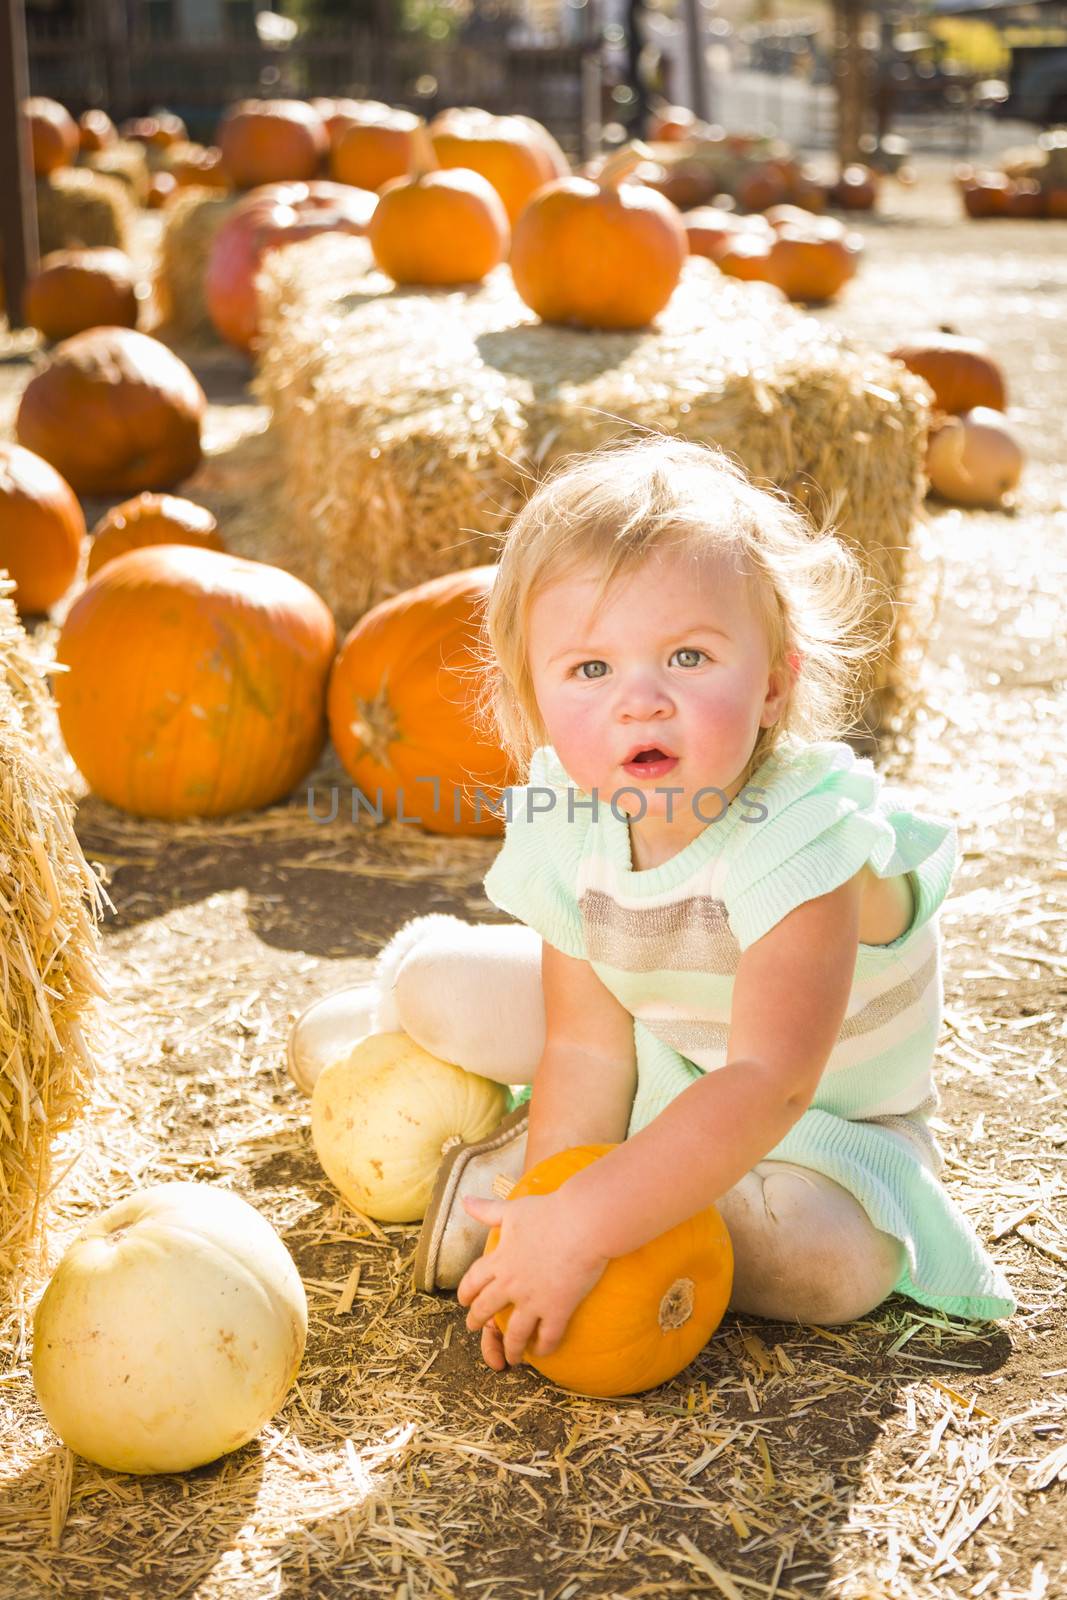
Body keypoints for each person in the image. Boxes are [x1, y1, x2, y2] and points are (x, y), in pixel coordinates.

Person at [295, 434, 1016, 1373]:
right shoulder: (570, 814)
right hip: (656, 1042)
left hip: (813, 1122)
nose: (640, 701)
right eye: (589, 670)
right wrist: (557, 1192)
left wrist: (581, 1223)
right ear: (535, 699)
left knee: (832, 1268)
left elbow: (769, 1081)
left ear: (772, 684)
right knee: (438, 985)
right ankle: (385, 1029)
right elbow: (587, 1047)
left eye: (686, 656)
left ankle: (616, 1195)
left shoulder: (803, 837)